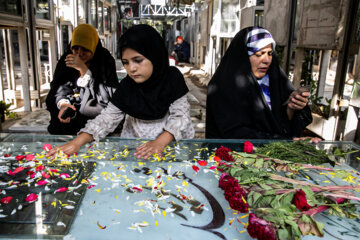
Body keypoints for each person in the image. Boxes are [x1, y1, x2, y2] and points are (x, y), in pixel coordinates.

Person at [47, 24, 194, 159]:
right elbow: (107, 119)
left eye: (138, 60)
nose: (132, 68)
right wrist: (77, 142)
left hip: (171, 148)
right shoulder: (127, 87)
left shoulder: (172, 78)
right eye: (126, 62)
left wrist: (159, 143)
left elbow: (180, 116)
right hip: (136, 149)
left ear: (154, 56)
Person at [206, 26, 313, 139]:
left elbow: (283, 126)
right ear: (244, 56)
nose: (266, 60)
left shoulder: (275, 82)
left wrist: (291, 107)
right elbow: (235, 133)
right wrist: (282, 141)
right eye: (259, 54)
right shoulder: (224, 87)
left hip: (273, 154)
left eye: (270, 54)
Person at [46, 24, 119, 135]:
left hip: (97, 126)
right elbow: (58, 89)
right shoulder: (66, 60)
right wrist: (64, 104)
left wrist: (85, 71)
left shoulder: (105, 60)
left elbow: (107, 97)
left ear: (93, 47)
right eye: (75, 48)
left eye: (85, 49)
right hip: (68, 126)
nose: (79, 53)